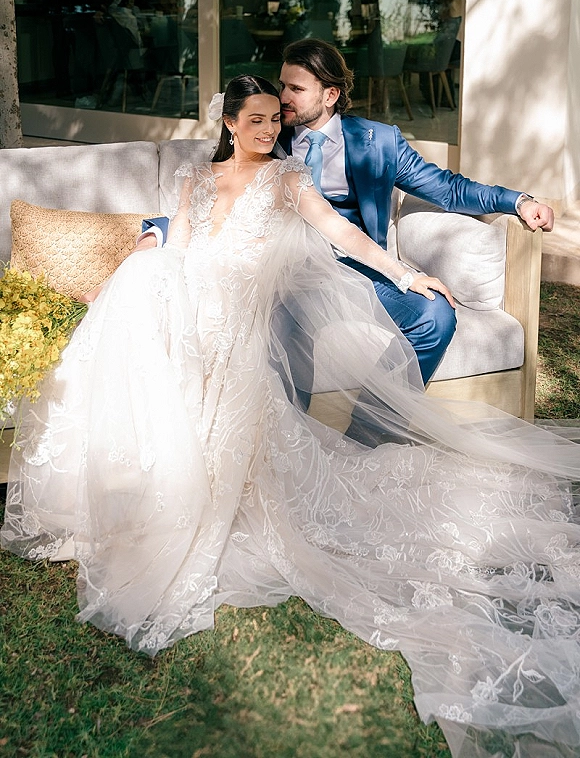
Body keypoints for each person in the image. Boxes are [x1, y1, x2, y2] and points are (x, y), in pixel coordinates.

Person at [2, 76, 580, 758]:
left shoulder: (286, 180)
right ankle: (131, 473)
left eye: (275, 118)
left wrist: (402, 274)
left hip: (242, 321)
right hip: (194, 304)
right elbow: (179, 245)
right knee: (139, 287)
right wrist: (132, 265)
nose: (268, 129)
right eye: (254, 119)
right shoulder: (194, 177)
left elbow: (338, 230)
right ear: (228, 122)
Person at [277, 38, 555, 384]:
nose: (283, 98)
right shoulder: (268, 138)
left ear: (330, 95)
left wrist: (519, 201)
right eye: (282, 86)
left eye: (296, 89)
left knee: (435, 314)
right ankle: (293, 436)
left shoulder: (379, 141)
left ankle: (370, 430)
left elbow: (447, 189)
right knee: (285, 326)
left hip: (361, 267)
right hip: (290, 270)